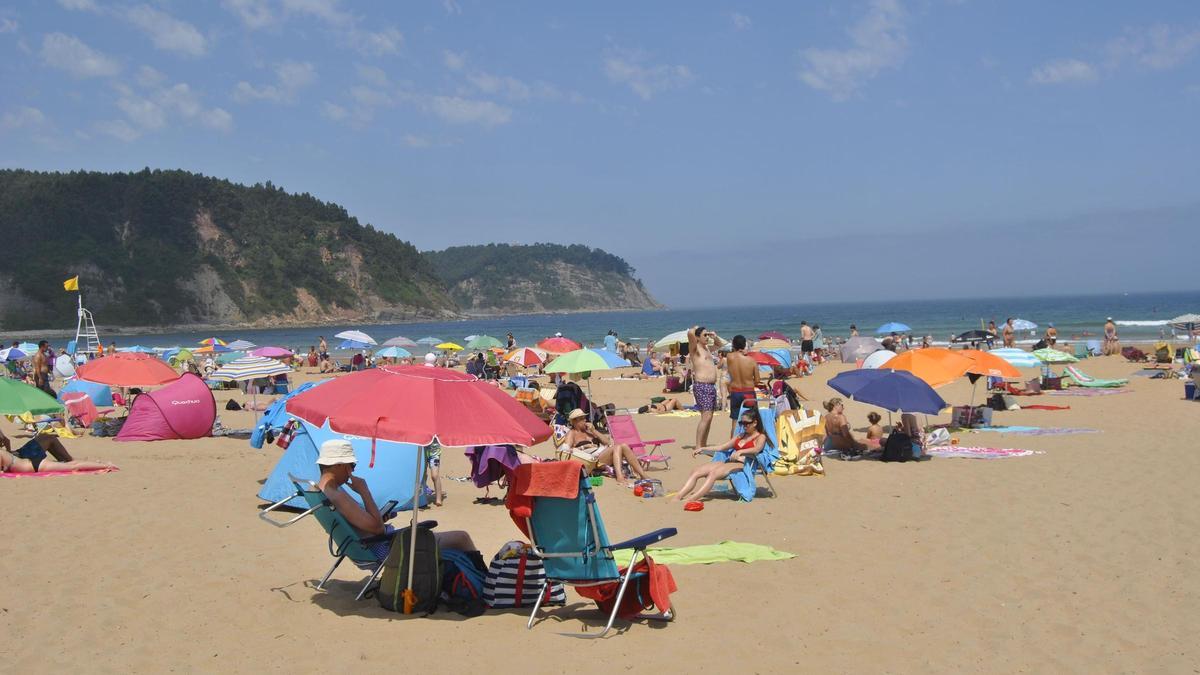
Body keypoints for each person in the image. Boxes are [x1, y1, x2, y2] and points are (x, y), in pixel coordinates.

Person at [314, 440, 473, 555]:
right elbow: (377, 529)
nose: (352, 472)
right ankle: (486, 586)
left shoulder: (320, 490)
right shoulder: (337, 495)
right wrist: (364, 491)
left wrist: (379, 517)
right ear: (338, 464)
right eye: (352, 466)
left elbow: (366, 524)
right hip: (387, 547)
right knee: (461, 538)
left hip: (369, 545)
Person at [670, 406, 770, 504]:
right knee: (696, 471)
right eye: (741, 423)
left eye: (746, 423)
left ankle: (691, 499)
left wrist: (741, 452)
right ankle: (678, 496)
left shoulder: (761, 437)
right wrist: (703, 448)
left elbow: (757, 449)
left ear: (755, 423)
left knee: (713, 473)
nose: (743, 426)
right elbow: (722, 447)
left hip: (744, 464)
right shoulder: (741, 435)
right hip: (729, 462)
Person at [559, 408, 647, 486]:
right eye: (581, 419)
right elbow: (565, 449)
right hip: (590, 460)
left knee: (623, 445)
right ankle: (620, 477)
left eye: (584, 418)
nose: (585, 420)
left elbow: (608, 442)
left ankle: (643, 475)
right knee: (617, 447)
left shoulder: (589, 431)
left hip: (601, 455)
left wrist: (594, 431)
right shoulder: (572, 433)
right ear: (574, 421)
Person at [0, 430, 116, 473]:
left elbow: (4, 469)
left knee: (72, 466)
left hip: (33, 465)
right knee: (72, 465)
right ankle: (103, 464)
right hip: (30, 462)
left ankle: (105, 465)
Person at [688, 326, 723, 450]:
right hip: (702, 386)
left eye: (707, 335)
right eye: (705, 335)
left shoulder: (707, 348)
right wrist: (695, 328)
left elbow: (719, 344)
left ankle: (703, 444)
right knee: (706, 417)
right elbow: (690, 333)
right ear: (698, 337)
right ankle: (698, 445)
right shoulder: (695, 349)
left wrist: (714, 335)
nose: (707, 337)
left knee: (709, 417)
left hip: (711, 386)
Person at [726, 335, 760, 437]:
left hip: (735, 392)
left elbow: (723, 346)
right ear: (745, 345)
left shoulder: (729, 357)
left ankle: (732, 445)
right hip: (748, 392)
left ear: (733, 345)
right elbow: (757, 381)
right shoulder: (751, 361)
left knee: (735, 421)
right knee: (752, 420)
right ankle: (750, 442)